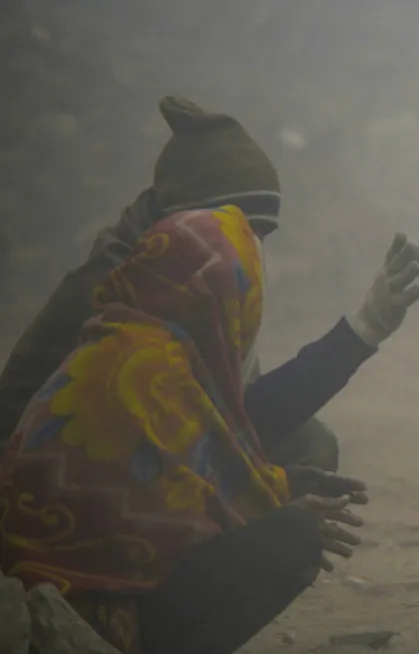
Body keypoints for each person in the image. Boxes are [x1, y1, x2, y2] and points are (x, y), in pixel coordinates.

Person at [0, 205, 419, 654]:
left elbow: (216, 451)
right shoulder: (148, 375)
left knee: (295, 484)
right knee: (293, 538)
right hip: (81, 638)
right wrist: (284, 513)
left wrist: (366, 325)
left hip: (60, 607)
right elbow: (182, 521)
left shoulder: (135, 340)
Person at [0, 96, 341, 473]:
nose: (250, 248)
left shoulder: (203, 272)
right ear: (191, 219)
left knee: (310, 445)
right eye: (240, 230)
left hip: (161, 442)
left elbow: (239, 405)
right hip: (68, 469)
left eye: (259, 234)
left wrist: (361, 333)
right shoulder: (116, 289)